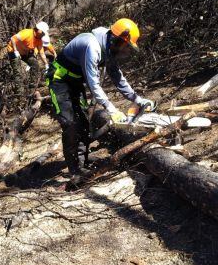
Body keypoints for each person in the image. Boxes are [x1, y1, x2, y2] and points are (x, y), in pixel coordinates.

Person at [46, 18, 154, 181]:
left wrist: (137, 99)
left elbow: (118, 78)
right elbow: (93, 84)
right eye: (126, 46)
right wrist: (111, 108)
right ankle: (75, 171)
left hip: (75, 81)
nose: (125, 50)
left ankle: (83, 164)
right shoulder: (93, 47)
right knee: (70, 123)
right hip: (59, 80)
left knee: (82, 122)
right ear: (118, 40)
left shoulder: (108, 48)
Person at [7, 22, 56, 96]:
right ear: (39, 30)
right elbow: (13, 39)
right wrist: (15, 51)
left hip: (25, 52)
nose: (43, 34)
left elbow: (41, 53)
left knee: (35, 65)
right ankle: (20, 94)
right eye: (43, 33)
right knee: (18, 72)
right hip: (13, 51)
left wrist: (46, 64)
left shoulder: (39, 40)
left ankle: (32, 89)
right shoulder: (27, 33)